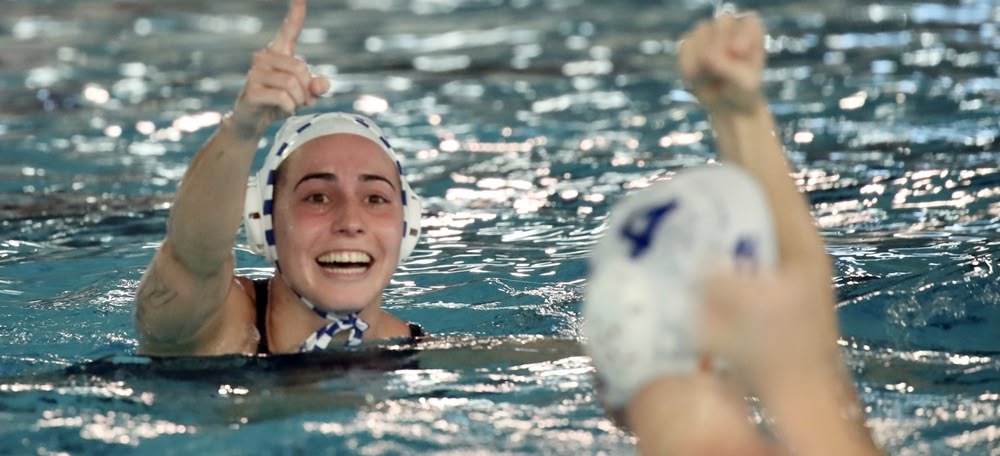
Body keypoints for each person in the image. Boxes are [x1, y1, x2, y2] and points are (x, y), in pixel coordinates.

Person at [582, 11, 884, 456]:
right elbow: (816, 362)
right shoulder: (811, 416)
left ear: (605, 388)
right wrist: (796, 380)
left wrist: (738, 114)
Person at [133, 0, 425, 356]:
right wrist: (243, 129)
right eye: (317, 197)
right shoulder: (216, 333)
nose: (350, 222)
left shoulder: (432, 359)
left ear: (408, 226)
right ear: (263, 220)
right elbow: (192, 258)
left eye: (375, 198)